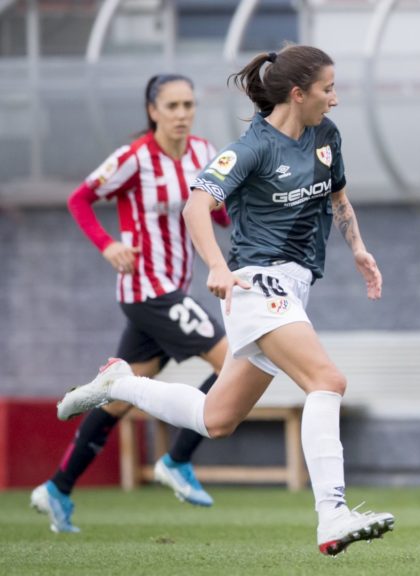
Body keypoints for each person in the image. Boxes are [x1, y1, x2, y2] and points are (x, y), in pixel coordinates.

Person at [55, 45, 394, 556]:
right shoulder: (251, 148)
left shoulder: (326, 136)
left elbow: (338, 198)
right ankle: (332, 514)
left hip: (294, 287)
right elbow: (197, 206)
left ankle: (121, 382)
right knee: (327, 380)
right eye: (328, 89)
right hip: (256, 284)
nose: (336, 98)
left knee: (217, 419)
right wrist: (217, 266)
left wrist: (359, 249)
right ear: (298, 94)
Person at [31, 74, 231, 534]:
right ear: (152, 111)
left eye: (189, 104)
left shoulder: (204, 153)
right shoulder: (134, 158)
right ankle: (178, 459)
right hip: (148, 289)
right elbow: (80, 198)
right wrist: (107, 245)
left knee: (119, 396)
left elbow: (216, 211)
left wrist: (231, 210)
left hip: (173, 288)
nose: (183, 113)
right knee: (235, 358)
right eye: (173, 106)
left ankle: (57, 488)